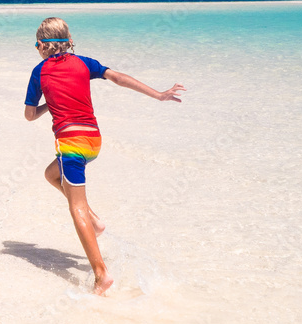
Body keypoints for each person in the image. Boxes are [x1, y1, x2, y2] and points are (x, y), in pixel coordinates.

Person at [23, 17, 185, 295]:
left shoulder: (39, 72)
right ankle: (95, 220)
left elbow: (28, 115)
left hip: (70, 144)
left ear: (41, 45)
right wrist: (159, 95)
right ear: (68, 41)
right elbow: (119, 78)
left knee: (76, 207)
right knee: (51, 174)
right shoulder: (85, 62)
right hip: (93, 141)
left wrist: (47, 106)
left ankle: (101, 274)